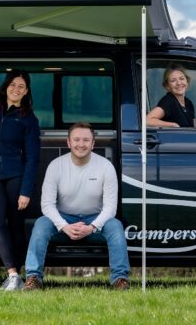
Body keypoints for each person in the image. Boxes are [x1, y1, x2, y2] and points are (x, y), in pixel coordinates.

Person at [23, 122, 130, 290]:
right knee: (41, 224)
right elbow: (47, 205)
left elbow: (110, 207)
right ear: (68, 142)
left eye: (86, 140)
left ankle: (119, 279)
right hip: (64, 221)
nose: (81, 144)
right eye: (77, 139)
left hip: (95, 222)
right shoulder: (55, 166)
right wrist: (64, 226)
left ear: (93, 143)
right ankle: (33, 278)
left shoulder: (105, 166)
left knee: (115, 225)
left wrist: (92, 227)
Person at [0, 69, 40, 291]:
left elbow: (33, 158)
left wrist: (26, 191)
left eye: (22, 87)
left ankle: (20, 271)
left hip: (16, 177)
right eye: (13, 85)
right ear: (6, 87)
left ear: (26, 92)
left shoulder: (28, 119)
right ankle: (12, 274)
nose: (16, 89)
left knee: (16, 225)